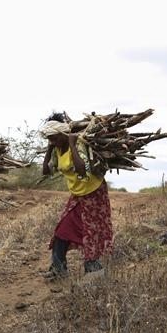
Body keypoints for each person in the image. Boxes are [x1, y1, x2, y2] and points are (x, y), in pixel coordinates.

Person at [40, 113, 113, 280]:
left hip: (94, 192)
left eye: (54, 139)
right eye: (49, 139)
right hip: (77, 194)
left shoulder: (80, 144)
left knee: (91, 231)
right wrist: (49, 149)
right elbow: (46, 171)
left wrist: (73, 145)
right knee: (62, 230)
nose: (52, 141)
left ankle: (94, 271)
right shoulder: (56, 148)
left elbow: (83, 172)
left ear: (63, 134)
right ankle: (58, 270)